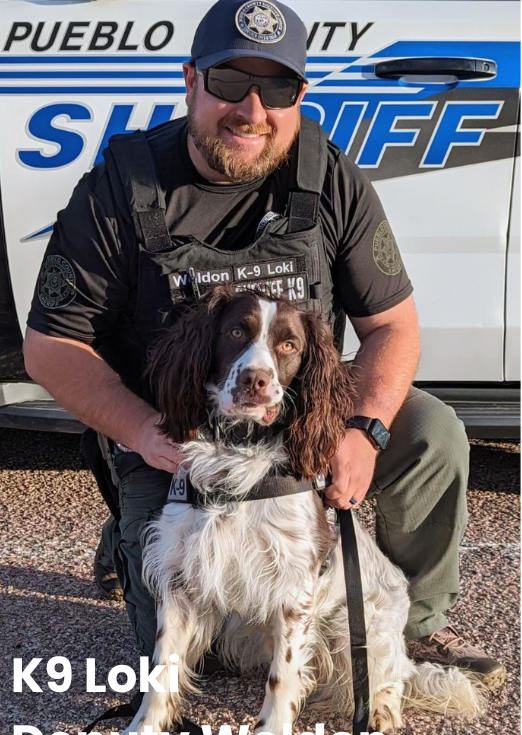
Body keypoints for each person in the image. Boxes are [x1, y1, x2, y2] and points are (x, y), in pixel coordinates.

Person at [24, 0, 505, 687]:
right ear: (191, 81)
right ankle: (130, 535)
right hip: (176, 431)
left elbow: (393, 327)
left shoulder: (329, 175)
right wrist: (143, 432)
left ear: (299, 97)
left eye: (275, 89)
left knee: (432, 434)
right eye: (229, 83)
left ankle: (412, 629)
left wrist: (364, 432)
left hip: (298, 415)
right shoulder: (119, 189)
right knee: (203, 652)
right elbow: (49, 348)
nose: (252, 108)